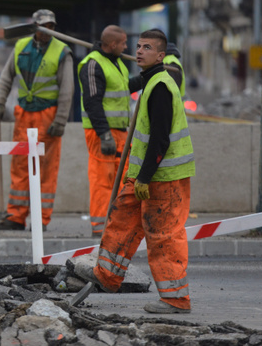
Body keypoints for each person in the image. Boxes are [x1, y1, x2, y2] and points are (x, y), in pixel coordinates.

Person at [83, 28, 195, 314]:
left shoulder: (160, 86)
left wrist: (144, 177)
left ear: (161, 55)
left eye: (147, 47)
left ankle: (175, 299)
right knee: (122, 217)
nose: (139, 51)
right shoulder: (150, 80)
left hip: (163, 177)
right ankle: (106, 276)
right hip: (145, 174)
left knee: (163, 236)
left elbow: (160, 138)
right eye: (138, 46)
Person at [0, 9, 74, 230]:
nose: (48, 30)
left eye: (52, 26)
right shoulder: (20, 47)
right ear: (34, 27)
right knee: (19, 166)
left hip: (48, 116)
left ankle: (40, 219)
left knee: (46, 169)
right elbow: (6, 77)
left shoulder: (62, 52)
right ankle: (15, 217)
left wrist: (60, 120)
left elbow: (67, 90)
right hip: (24, 115)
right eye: (44, 26)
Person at [78, 25, 141, 237]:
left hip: (120, 133)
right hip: (102, 133)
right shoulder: (93, 64)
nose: (125, 47)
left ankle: (116, 224)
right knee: (103, 180)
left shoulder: (116, 63)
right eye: (123, 43)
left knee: (122, 179)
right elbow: (92, 103)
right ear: (113, 44)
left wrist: (145, 77)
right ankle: (100, 226)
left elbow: (123, 88)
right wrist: (104, 134)